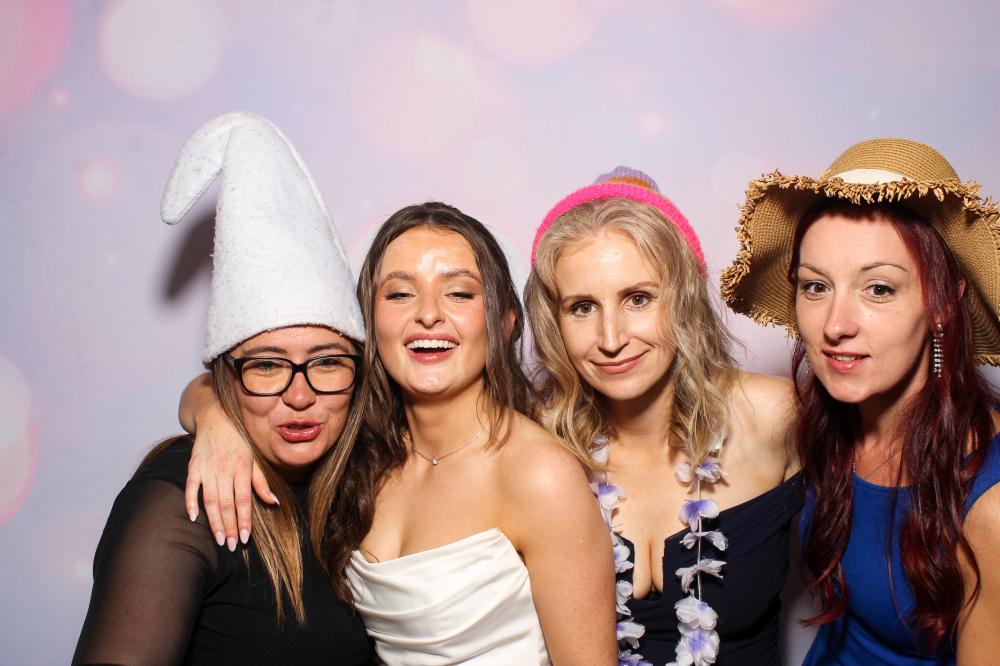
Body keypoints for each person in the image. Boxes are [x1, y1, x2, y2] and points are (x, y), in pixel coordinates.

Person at [177, 202, 617, 664]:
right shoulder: (354, 449)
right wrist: (216, 419)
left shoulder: (541, 475)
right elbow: (212, 386)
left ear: (505, 323)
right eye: (400, 294)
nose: (428, 315)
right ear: (367, 324)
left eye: (459, 293)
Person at [73, 112, 374, 665]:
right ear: (226, 375)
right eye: (267, 366)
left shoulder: (364, 480)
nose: (300, 396)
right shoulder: (181, 501)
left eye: (327, 362)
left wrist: (209, 408)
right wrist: (211, 413)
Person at [721, 138, 1000, 664]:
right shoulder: (819, 424)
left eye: (879, 289)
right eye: (815, 286)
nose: (835, 325)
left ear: (944, 303)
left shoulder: (991, 505)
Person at [524, 167, 801, 665]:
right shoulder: (533, 445)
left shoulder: (775, 415)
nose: (611, 338)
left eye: (638, 299)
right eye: (582, 307)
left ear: (684, 299)